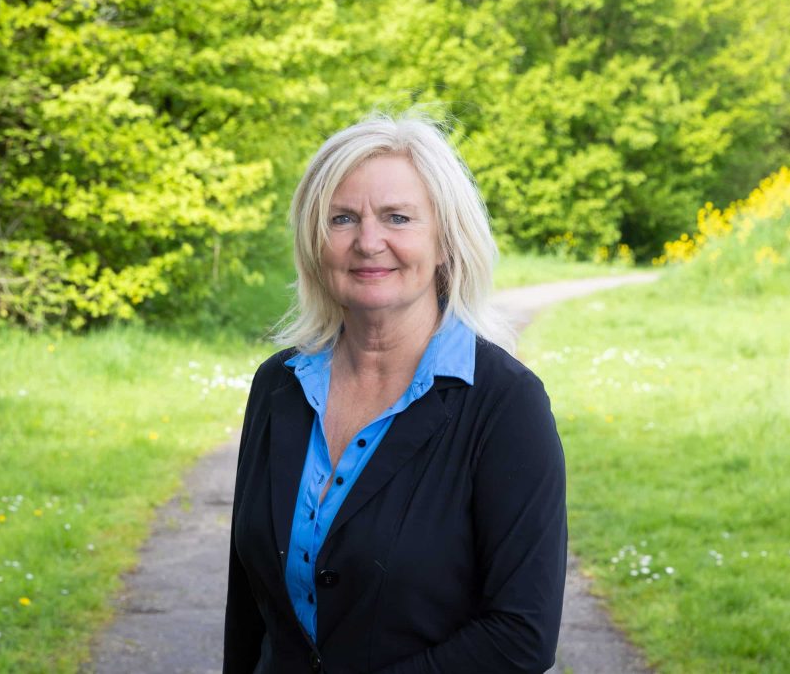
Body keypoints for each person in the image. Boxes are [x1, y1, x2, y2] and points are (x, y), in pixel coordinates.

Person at [223, 113, 567, 674]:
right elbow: (248, 607)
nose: (368, 242)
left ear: (445, 242)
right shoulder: (278, 385)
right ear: (315, 243)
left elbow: (520, 636)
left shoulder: (506, 404)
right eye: (342, 218)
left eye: (397, 218)